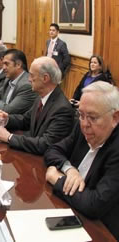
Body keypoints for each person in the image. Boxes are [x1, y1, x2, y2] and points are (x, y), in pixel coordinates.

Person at [44, 81, 119, 240]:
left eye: (92, 117)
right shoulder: (83, 128)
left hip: (102, 230)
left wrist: (57, 179)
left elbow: (95, 204)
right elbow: (53, 150)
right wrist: (69, 169)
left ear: (115, 117)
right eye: (81, 115)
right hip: (70, 209)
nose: (84, 124)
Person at [0, 57, 74, 155]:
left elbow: (46, 144)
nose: (29, 79)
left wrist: (9, 137)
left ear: (45, 78)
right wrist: (6, 119)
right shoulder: (41, 97)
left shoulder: (62, 109)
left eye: (31, 75)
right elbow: (25, 120)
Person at [0, 49, 37, 116]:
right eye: (3, 64)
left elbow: (8, 110)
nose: (4, 67)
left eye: (6, 64)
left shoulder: (27, 85)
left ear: (18, 64)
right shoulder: (8, 79)